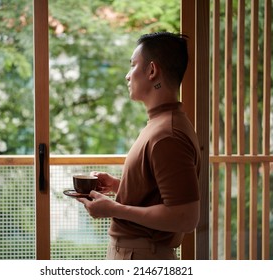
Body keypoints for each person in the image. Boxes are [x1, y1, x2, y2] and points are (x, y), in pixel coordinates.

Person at [77, 31, 201, 260]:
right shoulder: (161, 124)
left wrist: (113, 209)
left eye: (133, 65)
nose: (127, 76)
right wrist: (118, 186)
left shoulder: (167, 134)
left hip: (143, 256)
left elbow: (185, 216)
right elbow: (159, 193)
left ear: (152, 71)